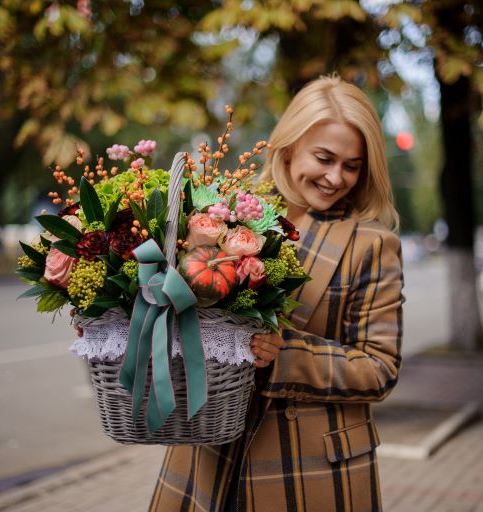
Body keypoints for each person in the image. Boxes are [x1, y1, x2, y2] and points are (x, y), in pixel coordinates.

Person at [150, 74, 404, 512]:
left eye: (352, 165)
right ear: (288, 149)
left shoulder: (372, 244)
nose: (334, 177)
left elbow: (380, 367)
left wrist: (284, 354)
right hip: (210, 452)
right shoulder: (224, 212)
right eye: (323, 157)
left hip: (308, 469)